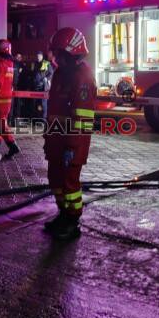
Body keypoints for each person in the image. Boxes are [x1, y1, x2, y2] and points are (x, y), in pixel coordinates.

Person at [43, 27, 96, 240]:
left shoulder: (82, 77)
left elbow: (82, 117)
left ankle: (72, 221)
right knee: (55, 179)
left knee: (69, 183)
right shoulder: (60, 74)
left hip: (72, 142)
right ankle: (63, 214)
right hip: (56, 140)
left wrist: (72, 147)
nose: (56, 58)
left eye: (59, 54)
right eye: (55, 53)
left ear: (72, 53)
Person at [0, 39, 21, 158]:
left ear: (0, 51)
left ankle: (12, 145)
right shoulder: (9, 63)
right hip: (6, 99)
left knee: (1, 124)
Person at [28, 51, 54, 120]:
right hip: (35, 86)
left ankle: (43, 119)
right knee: (34, 103)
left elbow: (51, 72)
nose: (38, 57)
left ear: (42, 56)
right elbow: (31, 73)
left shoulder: (46, 63)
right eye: (37, 56)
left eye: (39, 56)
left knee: (43, 103)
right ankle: (35, 119)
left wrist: (46, 78)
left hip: (43, 87)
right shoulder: (33, 64)